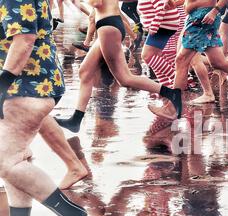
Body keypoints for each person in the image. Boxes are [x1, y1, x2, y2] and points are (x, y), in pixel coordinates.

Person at [0, 0, 87, 216]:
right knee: (14, 159)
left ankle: (69, 213)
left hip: (29, 86)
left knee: (5, 161)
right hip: (25, 85)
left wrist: (2, 85)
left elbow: (25, 38)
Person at [55, 0, 183, 133]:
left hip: (108, 26)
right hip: (108, 24)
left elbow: (97, 3)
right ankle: (76, 120)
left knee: (124, 78)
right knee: (85, 71)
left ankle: (172, 94)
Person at [148, 0, 228, 120]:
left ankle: (172, 108)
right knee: (218, 62)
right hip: (202, 17)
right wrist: (175, 3)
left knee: (181, 60)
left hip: (202, 18)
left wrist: (214, 11)